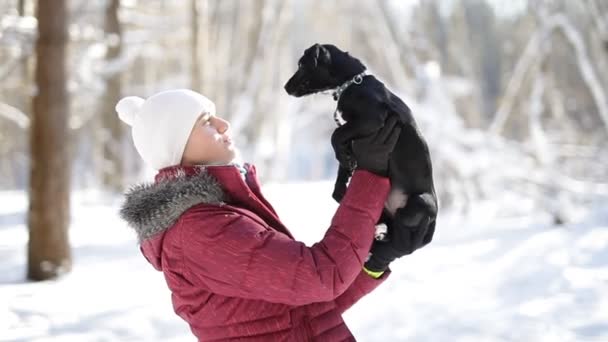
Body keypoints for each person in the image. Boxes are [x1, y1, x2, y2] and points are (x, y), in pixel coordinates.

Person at [116, 89, 420, 341]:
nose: (223, 125)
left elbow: (305, 309)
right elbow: (321, 276)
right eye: (205, 121)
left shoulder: (217, 214)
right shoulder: (200, 231)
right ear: (176, 144)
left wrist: (374, 261)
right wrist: (370, 174)